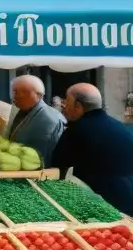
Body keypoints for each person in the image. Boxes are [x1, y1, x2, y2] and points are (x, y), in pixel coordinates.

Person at [53, 84, 133, 215]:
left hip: (103, 205)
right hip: (128, 198)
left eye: (66, 102)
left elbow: (57, 169)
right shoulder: (119, 126)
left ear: (78, 106)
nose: (63, 108)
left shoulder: (77, 130)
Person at [5, 75, 66, 165]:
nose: (15, 97)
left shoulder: (50, 118)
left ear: (39, 95)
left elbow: (45, 155)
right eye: (14, 92)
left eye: (21, 92)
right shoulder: (21, 110)